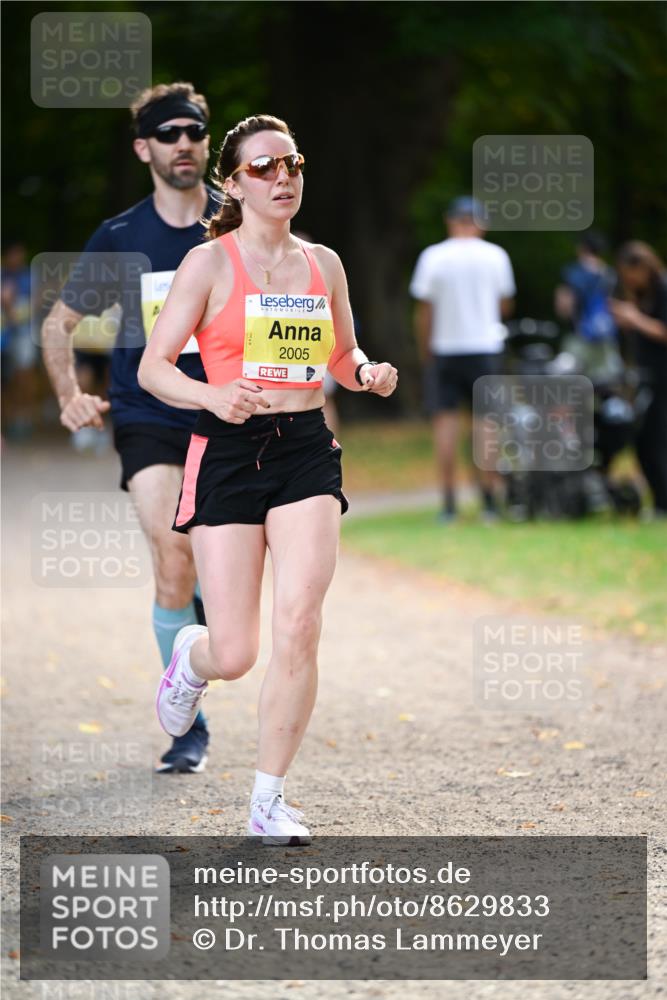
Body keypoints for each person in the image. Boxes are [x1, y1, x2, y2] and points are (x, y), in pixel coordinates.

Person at [138, 113, 397, 844]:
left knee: (301, 622)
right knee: (237, 650)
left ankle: (265, 801)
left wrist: (366, 373)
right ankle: (191, 659)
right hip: (226, 449)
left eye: (291, 163)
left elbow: (342, 357)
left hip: (305, 448)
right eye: (263, 168)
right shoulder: (209, 264)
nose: (282, 177)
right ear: (234, 183)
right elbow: (152, 368)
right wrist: (212, 394)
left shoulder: (324, 264)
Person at [41, 82, 220, 774]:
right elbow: (58, 325)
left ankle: (198, 613)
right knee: (171, 552)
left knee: (213, 570)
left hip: (229, 413)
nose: (184, 144)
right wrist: (69, 395)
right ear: (144, 147)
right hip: (149, 417)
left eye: (195, 132)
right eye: (169, 134)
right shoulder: (119, 237)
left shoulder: (238, 226)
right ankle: (189, 725)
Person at [410, 196, 515, 521]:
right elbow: (505, 305)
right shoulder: (496, 255)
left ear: (451, 220)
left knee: (445, 424)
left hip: (446, 348)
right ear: (479, 222)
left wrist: (426, 350)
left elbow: (424, 310)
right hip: (485, 348)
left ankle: (449, 504)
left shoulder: (433, 256)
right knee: (486, 426)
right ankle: (488, 502)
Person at [610, 242, 667, 516]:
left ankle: (663, 503)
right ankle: (657, 501)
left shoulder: (664, 290)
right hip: (646, 377)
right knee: (643, 440)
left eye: (632, 273)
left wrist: (635, 318)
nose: (628, 280)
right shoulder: (643, 294)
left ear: (645, 266)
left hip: (663, 377)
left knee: (657, 439)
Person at [554, 230, 622, 384]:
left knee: (568, 389)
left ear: (582, 248)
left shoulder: (573, 272)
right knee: (605, 387)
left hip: (578, 339)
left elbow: (563, 307)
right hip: (605, 339)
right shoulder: (611, 274)